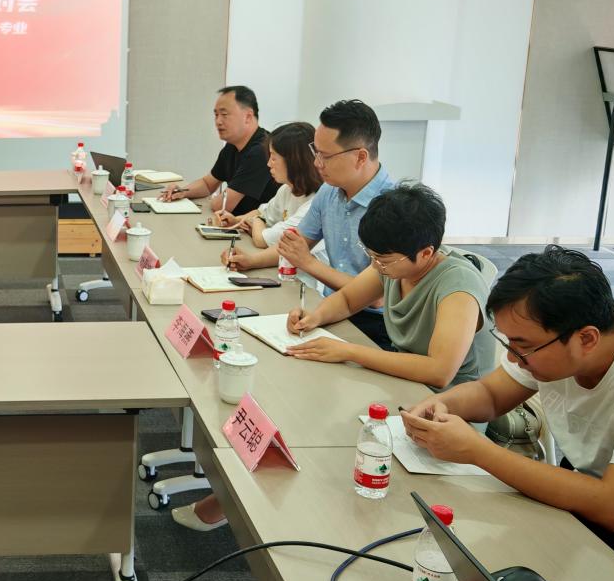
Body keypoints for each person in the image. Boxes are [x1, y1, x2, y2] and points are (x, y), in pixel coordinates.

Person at [402, 247, 614, 564]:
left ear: (587, 339)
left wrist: (476, 451)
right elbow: (491, 395)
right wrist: (438, 403)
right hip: (584, 484)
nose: (512, 359)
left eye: (522, 347)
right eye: (507, 343)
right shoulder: (567, 327)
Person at [284, 183, 496, 389]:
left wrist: (349, 351)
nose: (376, 265)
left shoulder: (458, 286)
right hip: (406, 381)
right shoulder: (394, 265)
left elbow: (439, 372)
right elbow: (348, 300)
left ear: (426, 253)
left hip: (453, 398)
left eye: (383, 260)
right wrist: (315, 317)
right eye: (372, 256)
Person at [224, 99, 395, 348]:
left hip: (376, 325)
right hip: (329, 309)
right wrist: (251, 261)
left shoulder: (392, 207)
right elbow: (296, 246)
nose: (316, 163)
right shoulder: (329, 192)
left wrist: (309, 264)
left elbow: (375, 298)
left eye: (325, 156)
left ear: (360, 157)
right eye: (316, 151)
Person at [159, 86, 279, 215]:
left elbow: (222, 205)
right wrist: (182, 191)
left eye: (224, 115)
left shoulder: (262, 150)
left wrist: (214, 200)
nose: (218, 121)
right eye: (216, 115)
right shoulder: (232, 145)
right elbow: (207, 184)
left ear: (248, 117)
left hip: (257, 226)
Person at [211, 121, 323, 246]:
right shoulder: (287, 189)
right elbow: (262, 213)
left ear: (294, 161)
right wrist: (236, 221)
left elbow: (262, 240)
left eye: (274, 158)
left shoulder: (315, 203)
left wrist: (258, 221)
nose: (269, 164)